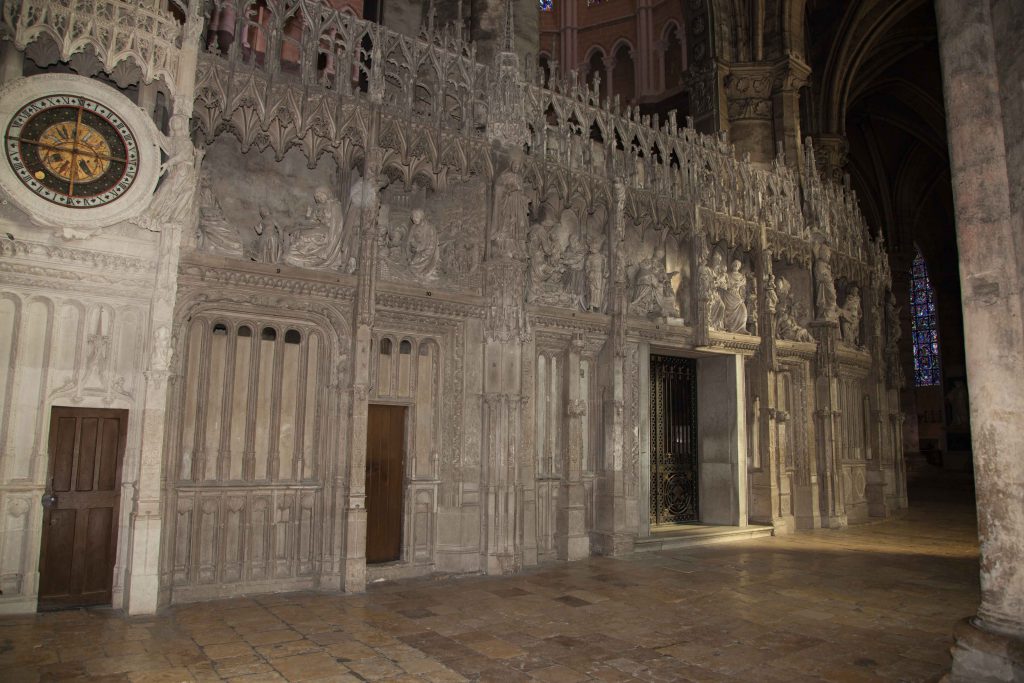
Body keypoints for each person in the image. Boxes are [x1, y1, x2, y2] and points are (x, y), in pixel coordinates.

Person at [406, 208, 439, 277]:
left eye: (417, 217)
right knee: (411, 264)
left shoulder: (430, 228)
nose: (414, 219)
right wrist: (409, 253)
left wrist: (422, 251)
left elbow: (432, 245)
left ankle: (425, 271)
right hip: (416, 252)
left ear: (422, 217)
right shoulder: (413, 227)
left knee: (413, 265)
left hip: (428, 253)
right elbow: (409, 242)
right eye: (413, 217)